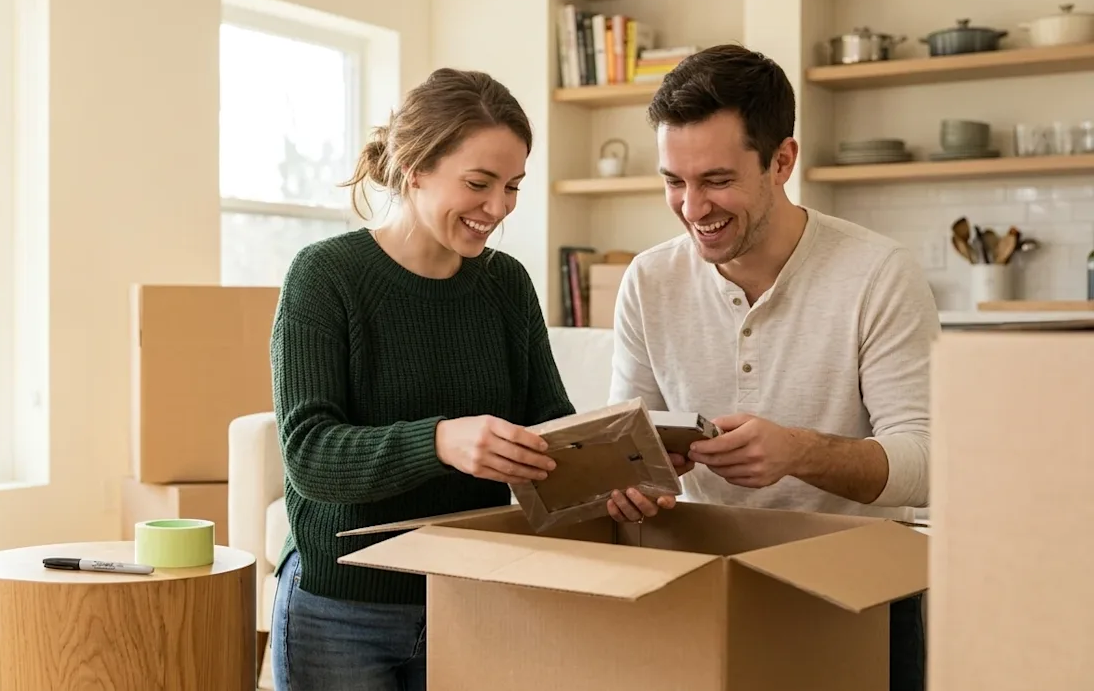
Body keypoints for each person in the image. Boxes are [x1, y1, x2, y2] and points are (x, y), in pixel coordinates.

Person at [604, 44, 939, 691]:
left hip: (859, 591)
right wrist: (632, 479)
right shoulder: (648, 279)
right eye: (674, 181)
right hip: (706, 580)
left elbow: (928, 465)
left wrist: (799, 453)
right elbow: (631, 441)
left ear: (782, 160)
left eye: (718, 180)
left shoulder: (878, 274)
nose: (692, 207)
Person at [267, 67, 576, 691]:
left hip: (473, 598)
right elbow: (308, 455)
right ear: (415, 169)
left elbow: (552, 425)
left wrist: (618, 468)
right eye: (479, 183)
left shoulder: (506, 284)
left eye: (513, 186)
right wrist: (439, 442)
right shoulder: (325, 277)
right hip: (341, 610)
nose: (498, 208)